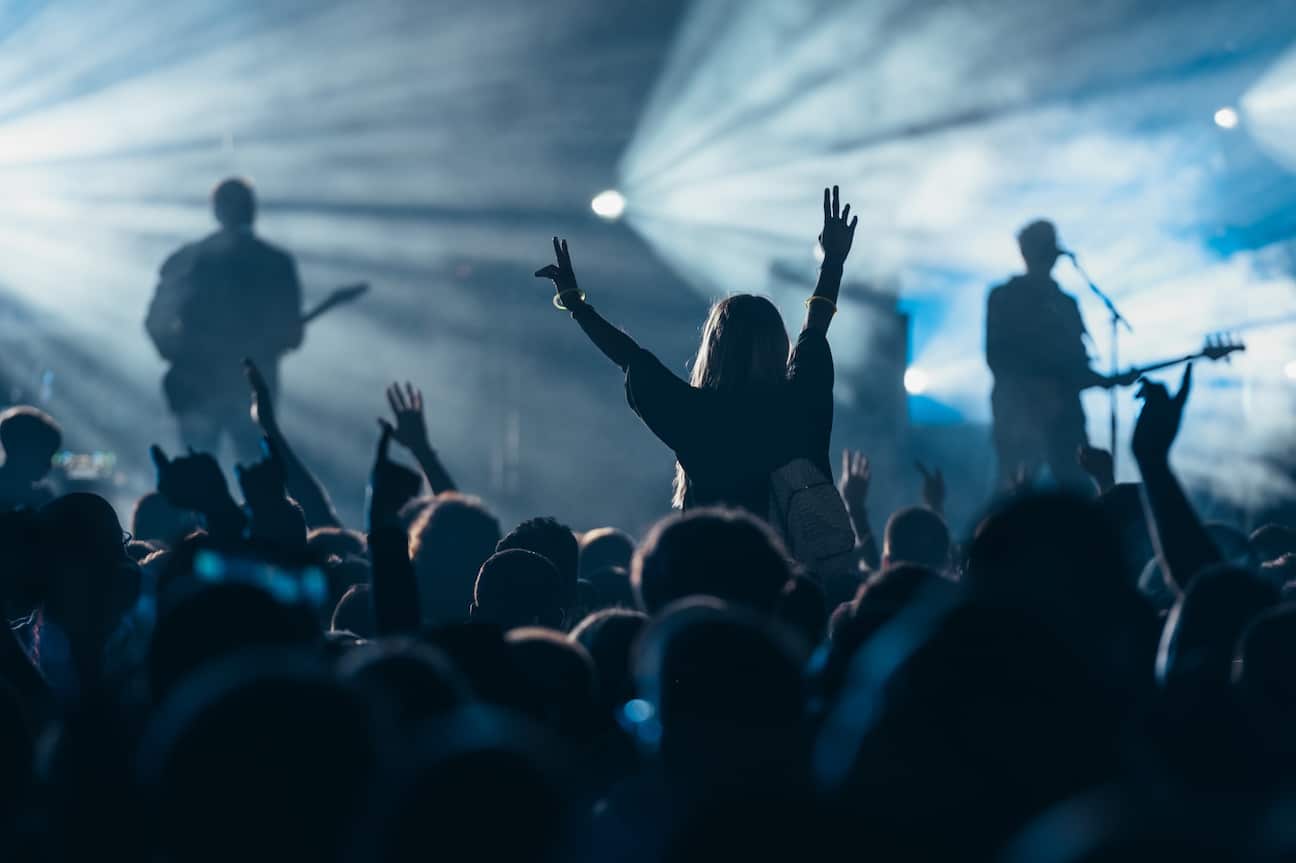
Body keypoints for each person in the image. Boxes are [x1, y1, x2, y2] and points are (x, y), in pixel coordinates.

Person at [534, 186, 856, 519]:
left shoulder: (698, 418)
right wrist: (833, 262)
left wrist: (575, 304)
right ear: (778, 342)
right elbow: (816, 325)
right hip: (797, 569)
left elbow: (629, 357)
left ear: (715, 347)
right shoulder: (801, 401)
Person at [145, 178, 303, 461]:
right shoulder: (276, 263)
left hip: (197, 387)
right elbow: (293, 336)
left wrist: (180, 357)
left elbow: (156, 320)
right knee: (260, 478)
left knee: (200, 479)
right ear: (253, 210)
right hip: (251, 390)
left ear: (216, 211)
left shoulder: (187, 259)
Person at [985, 220, 1131, 488]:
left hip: (1064, 418)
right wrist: (1040, 388)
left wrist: (1105, 380)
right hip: (1020, 418)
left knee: (1078, 488)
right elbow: (997, 358)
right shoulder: (1004, 298)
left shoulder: (1065, 303)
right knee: (1012, 495)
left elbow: (1076, 365)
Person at [0, 406, 61, 511]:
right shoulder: (41, 499)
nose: (49, 465)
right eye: (45, 455)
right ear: (20, 449)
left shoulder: (43, 497)